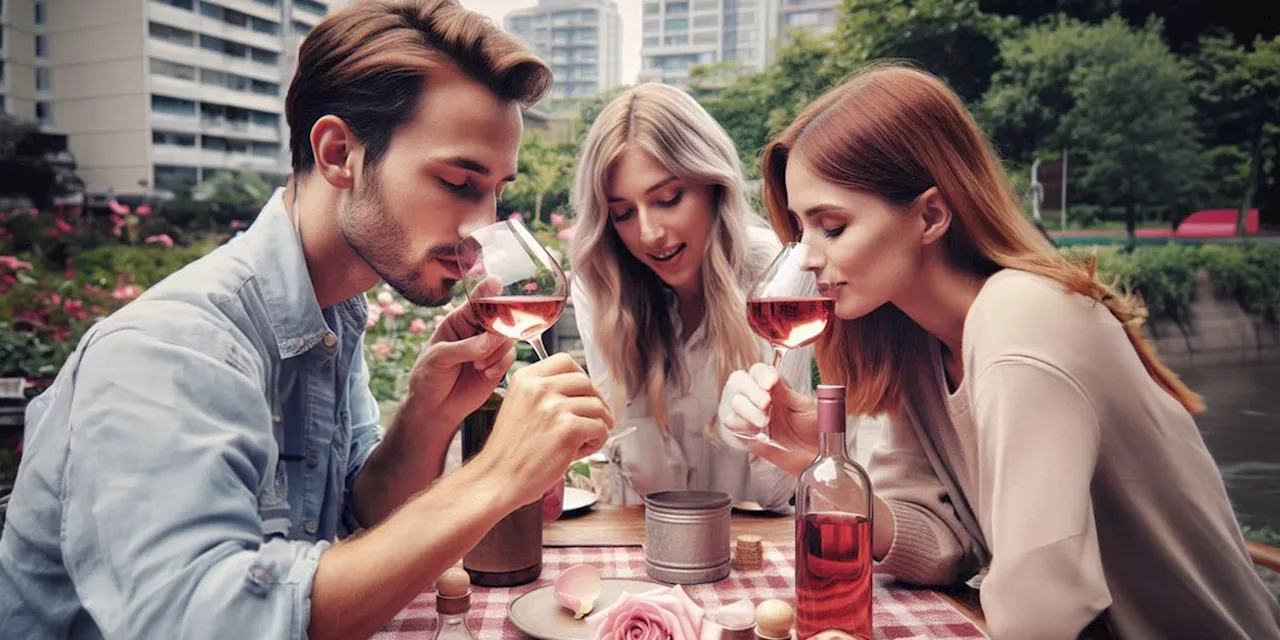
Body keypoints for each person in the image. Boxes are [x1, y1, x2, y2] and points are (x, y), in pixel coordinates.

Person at [0, 2, 610, 639]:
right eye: (459, 182)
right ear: (338, 152)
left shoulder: (332, 314)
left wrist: (428, 417)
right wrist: (495, 476)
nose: (482, 226)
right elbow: (214, 622)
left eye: (497, 192)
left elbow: (357, 517)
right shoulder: (172, 348)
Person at [717, 62, 1280, 639]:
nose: (807, 258)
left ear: (931, 215)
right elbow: (940, 544)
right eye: (800, 232)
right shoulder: (912, 344)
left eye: (831, 227)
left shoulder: (1020, 320)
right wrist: (820, 465)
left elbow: (1046, 607)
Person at [567, 83, 815, 510]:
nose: (648, 233)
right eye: (623, 212)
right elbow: (627, 465)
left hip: (750, 547)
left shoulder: (776, 277)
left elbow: (778, 492)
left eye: (668, 199)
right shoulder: (601, 285)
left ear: (713, 186)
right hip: (644, 543)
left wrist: (756, 431)